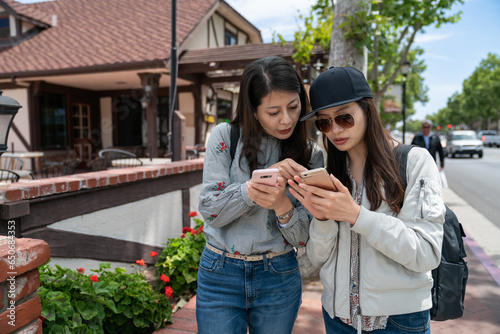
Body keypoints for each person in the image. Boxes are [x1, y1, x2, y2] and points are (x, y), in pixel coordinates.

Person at [289, 66, 445, 333]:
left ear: (368, 110)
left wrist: (357, 216)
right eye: (324, 122)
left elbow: (426, 254)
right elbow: (317, 256)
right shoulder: (331, 173)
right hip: (338, 320)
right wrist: (322, 218)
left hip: (399, 321)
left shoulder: (413, 162)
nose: (335, 129)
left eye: (345, 118)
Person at [196, 56, 324, 334]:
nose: (286, 119)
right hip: (220, 274)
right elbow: (210, 211)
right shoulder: (224, 137)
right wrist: (260, 184)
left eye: (293, 106)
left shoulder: (311, 155)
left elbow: (304, 237)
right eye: (273, 112)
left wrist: (281, 206)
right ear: (254, 111)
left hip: (278, 275)